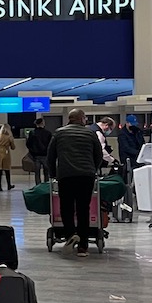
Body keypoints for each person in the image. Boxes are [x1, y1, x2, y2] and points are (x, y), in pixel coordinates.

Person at [47, 108, 106, 257]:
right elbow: (98, 155)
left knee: (66, 208)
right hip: (85, 176)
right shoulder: (90, 133)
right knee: (83, 209)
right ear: (82, 119)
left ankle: (69, 237)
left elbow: (50, 156)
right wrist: (93, 169)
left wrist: (54, 174)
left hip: (65, 175)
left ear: (69, 118)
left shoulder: (59, 133)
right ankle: (83, 246)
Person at [118, 115, 145, 182]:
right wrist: (139, 153)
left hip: (139, 159)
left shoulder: (138, 132)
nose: (134, 126)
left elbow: (142, 143)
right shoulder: (122, 134)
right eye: (132, 124)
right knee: (129, 178)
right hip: (128, 160)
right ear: (127, 123)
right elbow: (126, 148)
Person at [26, 117, 53, 183]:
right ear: (42, 123)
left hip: (36, 156)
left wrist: (32, 152)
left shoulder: (32, 133)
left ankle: (38, 186)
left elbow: (28, 144)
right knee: (46, 172)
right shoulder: (48, 133)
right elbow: (51, 144)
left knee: (37, 172)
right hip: (45, 155)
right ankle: (46, 185)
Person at [0, 124, 15, 191]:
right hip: (6, 154)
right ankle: (9, 185)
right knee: (7, 171)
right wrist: (11, 141)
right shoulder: (9, 137)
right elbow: (13, 147)